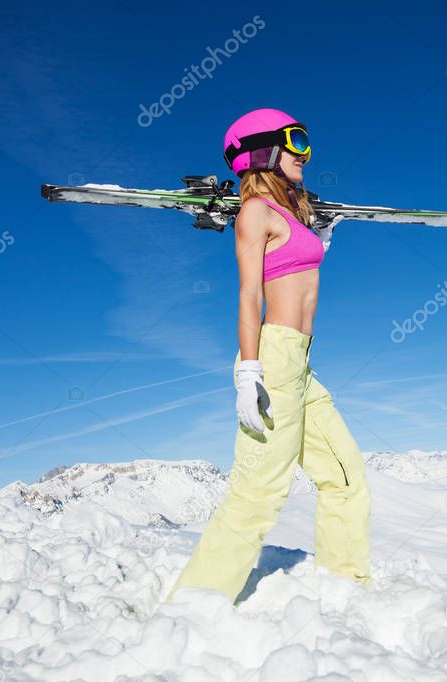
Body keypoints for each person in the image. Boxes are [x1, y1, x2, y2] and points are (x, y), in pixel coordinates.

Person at [163, 108, 371, 605]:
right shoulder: (254, 213)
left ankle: (346, 586)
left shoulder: (292, 215)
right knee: (260, 490)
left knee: (344, 473)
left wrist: (322, 232)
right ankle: (195, 603)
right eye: (296, 141)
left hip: (301, 365)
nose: (307, 153)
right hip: (272, 358)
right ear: (264, 151)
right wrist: (250, 371)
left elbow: (299, 268)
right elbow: (249, 295)